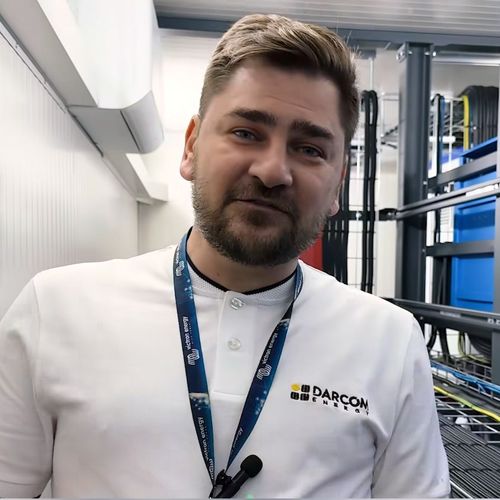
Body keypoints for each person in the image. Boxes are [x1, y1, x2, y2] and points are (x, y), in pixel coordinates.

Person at [0, 13, 449, 498]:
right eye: (246, 133)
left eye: (309, 149)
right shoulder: (57, 309)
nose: (273, 171)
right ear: (191, 146)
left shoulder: (389, 342)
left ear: (338, 184)